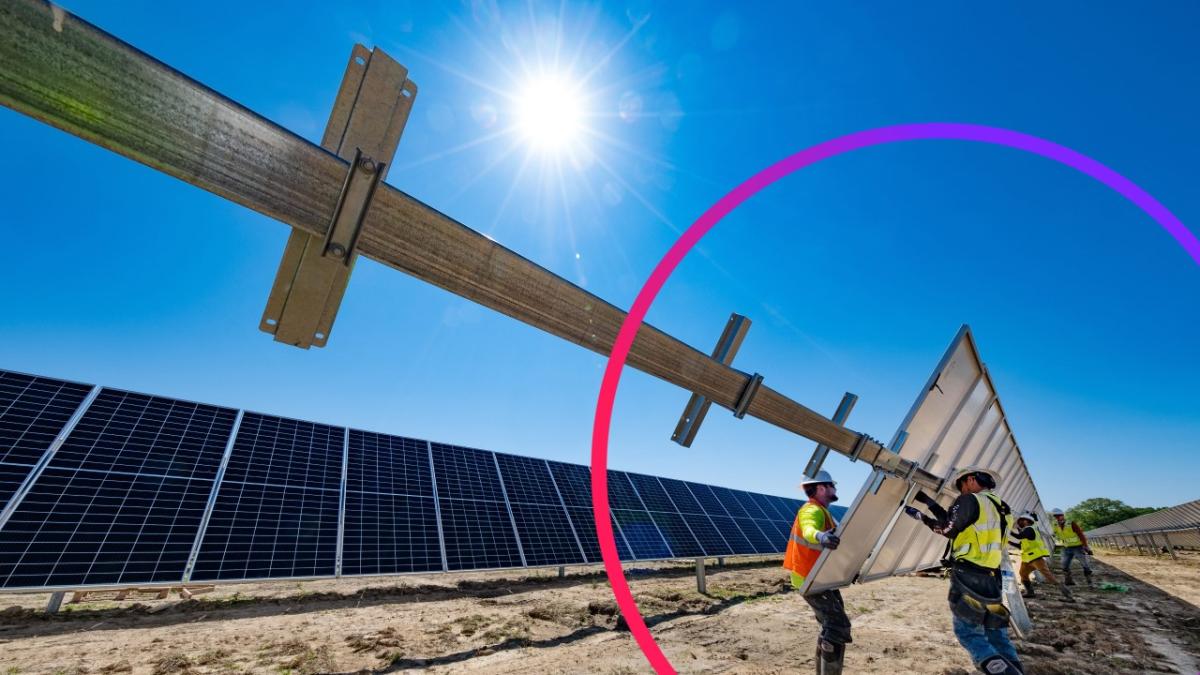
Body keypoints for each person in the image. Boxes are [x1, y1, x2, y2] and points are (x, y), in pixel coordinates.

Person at [904, 467, 1025, 675]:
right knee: (996, 633)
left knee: (968, 633)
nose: (961, 492)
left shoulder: (970, 500)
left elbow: (949, 529)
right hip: (991, 578)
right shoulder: (1002, 507)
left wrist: (921, 517)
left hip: (970, 577)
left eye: (961, 487)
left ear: (969, 480)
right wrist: (929, 503)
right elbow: (959, 522)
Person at [783, 470, 850, 675]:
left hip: (818, 577)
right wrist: (820, 537)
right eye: (832, 485)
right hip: (810, 578)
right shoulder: (811, 510)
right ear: (821, 487)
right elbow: (810, 529)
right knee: (838, 626)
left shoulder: (823, 511)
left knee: (830, 625)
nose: (835, 489)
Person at [1009, 512, 1073, 601]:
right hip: (1027, 559)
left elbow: (1019, 536)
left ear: (1027, 521)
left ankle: (1068, 595)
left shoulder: (1029, 529)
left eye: (1021, 521)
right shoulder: (1026, 531)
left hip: (1036, 558)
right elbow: (1020, 545)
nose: (1019, 523)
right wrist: (1009, 542)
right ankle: (1030, 592)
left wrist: (1007, 530)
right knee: (1023, 574)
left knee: (1049, 577)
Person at [1049, 508, 1094, 587]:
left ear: (1063, 515)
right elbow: (1055, 533)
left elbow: (1081, 535)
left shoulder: (1071, 523)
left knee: (1084, 564)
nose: (1058, 517)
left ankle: (1089, 582)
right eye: (1056, 516)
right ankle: (1069, 581)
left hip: (1077, 547)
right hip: (1066, 548)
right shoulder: (1055, 524)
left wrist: (1086, 546)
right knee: (1064, 565)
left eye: (1059, 516)